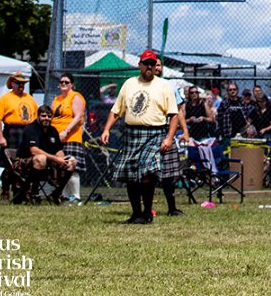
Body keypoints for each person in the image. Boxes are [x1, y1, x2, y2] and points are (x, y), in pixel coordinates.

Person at [100, 49, 189, 223]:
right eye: (146, 63)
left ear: (156, 66)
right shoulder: (129, 84)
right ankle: (136, 213)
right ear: (140, 65)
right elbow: (116, 110)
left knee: (149, 172)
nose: (149, 66)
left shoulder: (164, 85)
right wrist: (106, 130)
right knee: (131, 175)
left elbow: (174, 115)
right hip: (132, 133)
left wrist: (169, 138)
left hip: (154, 133)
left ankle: (147, 212)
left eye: (152, 63)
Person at [13, 104, 76, 203]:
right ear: (38, 116)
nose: (46, 118)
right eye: (43, 116)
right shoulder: (31, 128)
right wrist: (56, 159)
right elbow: (34, 151)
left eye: (49, 116)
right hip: (24, 164)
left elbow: (58, 150)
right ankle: (33, 192)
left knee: (72, 161)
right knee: (41, 158)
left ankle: (56, 193)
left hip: (48, 164)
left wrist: (62, 160)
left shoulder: (53, 130)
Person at [0, 71, 37, 202]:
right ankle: (5, 188)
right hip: (11, 132)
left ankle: (21, 192)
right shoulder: (5, 98)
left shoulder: (29, 99)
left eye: (22, 83)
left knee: (24, 165)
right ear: (12, 84)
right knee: (9, 165)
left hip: (26, 132)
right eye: (18, 83)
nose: (21, 86)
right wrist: (1, 137)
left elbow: (35, 119)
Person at [50, 73, 86, 204]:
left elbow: (78, 117)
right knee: (61, 167)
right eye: (61, 82)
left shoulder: (75, 97)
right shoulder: (57, 99)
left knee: (72, 166)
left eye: (66, 82)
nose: (63, 84)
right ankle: (63, 196)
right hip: (58, 139)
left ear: (72, 84)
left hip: (71, 136)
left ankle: (76, 197)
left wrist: (66, 131)